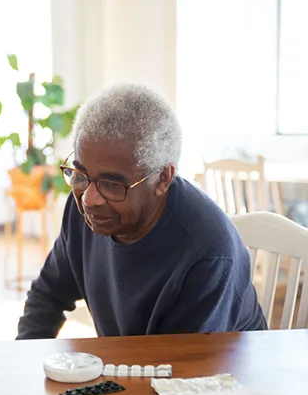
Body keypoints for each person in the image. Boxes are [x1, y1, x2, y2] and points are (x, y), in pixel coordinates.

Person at [16, 83, 267, 340]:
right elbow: (47, 296)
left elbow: (180, 370)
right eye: (81, 174)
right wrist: (21, 367)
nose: (89, 199)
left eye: (111, 184)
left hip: (218, 375)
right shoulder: (82, 207)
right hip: (136, 367)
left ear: (161, 179)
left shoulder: (208, 252)